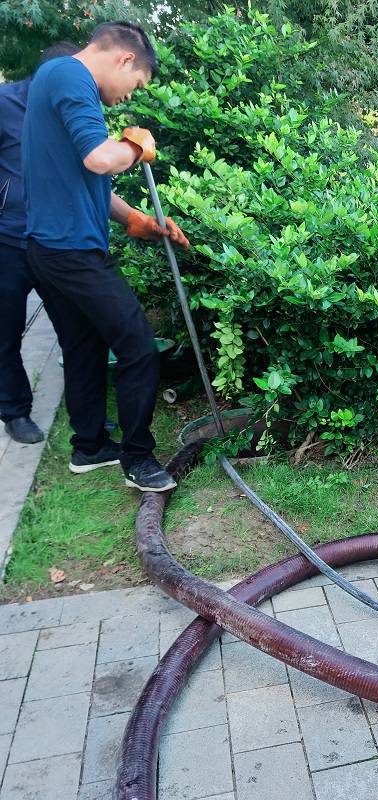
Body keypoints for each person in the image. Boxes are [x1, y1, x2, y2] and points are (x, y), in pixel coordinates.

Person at [22, 21, 190, 491]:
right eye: (136, 84)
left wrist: (133, 218)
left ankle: (90, 446)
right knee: (137, 346)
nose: (129, 96)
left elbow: (84, 176)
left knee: (84, 346)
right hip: (72, 251)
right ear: (124, 60)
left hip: (47, 248)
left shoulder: (54, 78)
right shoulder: (73, 77)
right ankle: (139, 458)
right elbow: (100, 158)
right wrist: (137, 145)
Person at [0, 42, 80, 444]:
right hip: (8, 243)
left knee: (78, 330)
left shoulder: (71, 108)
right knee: (6, 331)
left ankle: (89, 420)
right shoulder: (4, 103)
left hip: (58, 242)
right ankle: (15, 412)